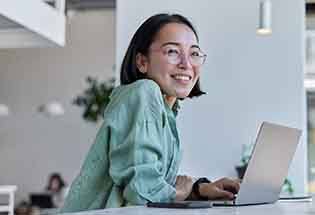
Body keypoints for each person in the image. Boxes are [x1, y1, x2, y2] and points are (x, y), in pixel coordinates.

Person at [61, 13, 240, 213]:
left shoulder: (166, 109)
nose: (186, 64)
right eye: (172, 51)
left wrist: (200, 188)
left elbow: (153, 180)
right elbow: (143, 190)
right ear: (142, 62)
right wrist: (182, 192)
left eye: (194, 53)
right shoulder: (144, 92)